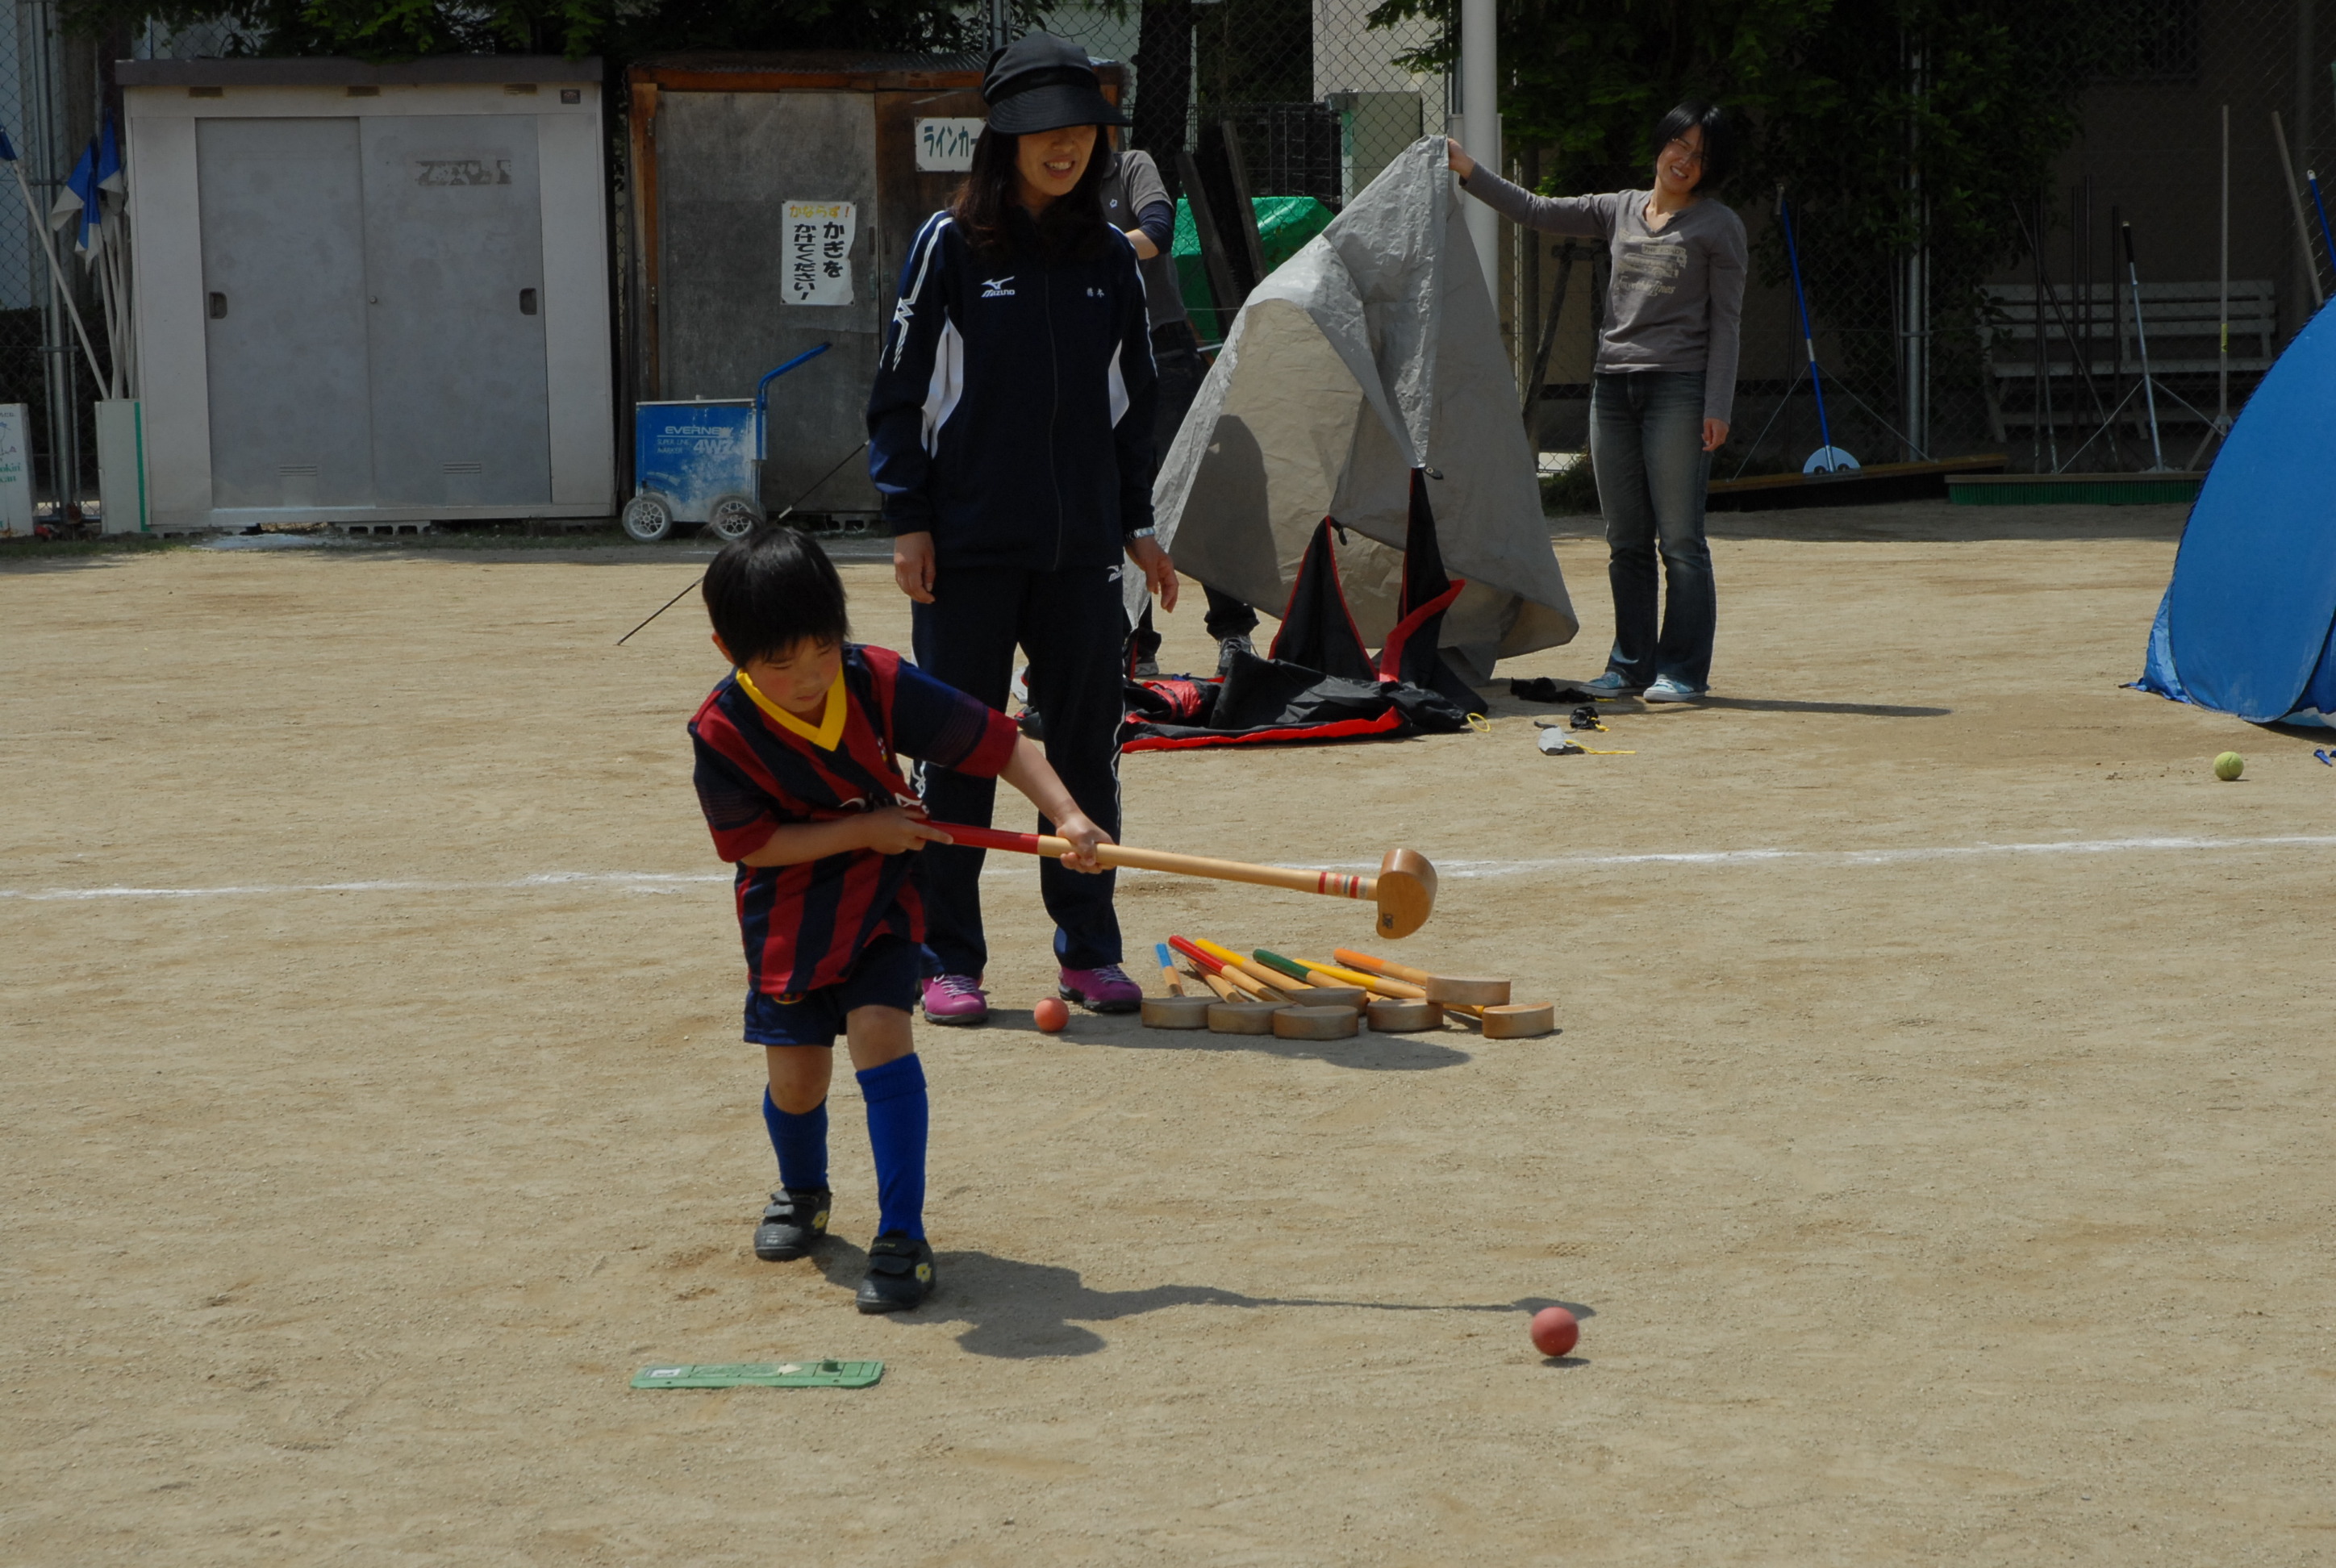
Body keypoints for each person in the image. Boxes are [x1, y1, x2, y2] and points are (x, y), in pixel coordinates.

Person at [686, 528, 1111, 1313]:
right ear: (728, 649)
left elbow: (1001, 744)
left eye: (821, 649)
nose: (809, 676)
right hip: (784, 913)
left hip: (881, 899)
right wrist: (864, 829)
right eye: (781, 664)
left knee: (882, 1030)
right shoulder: (719, 731)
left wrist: (1070, 817)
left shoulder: (874, 680)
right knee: (798, 1079)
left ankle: (901, 1235)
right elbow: (751, 845)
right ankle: (802, 1190)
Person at [868, 31, 1177, 1028]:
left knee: (1085, 746)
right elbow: (898, 395)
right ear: (1001, 139)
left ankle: (1089, 950)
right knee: (961, 750)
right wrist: (909, 518)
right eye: (1042, 131)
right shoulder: (950, 247)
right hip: (963, 547)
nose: (1064, 147)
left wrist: (1135, 524)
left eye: (1081, 129)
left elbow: (1135, 406)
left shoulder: (1110, 262)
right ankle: (943, 957)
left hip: (1081, 549)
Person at [1449, 102, 1746, 703]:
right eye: (1679, 146)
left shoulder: (1719, 226)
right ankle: (1629, 666)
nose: (1684, 161)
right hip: (1612, 387)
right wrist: (1467, 170)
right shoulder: (1617, 209)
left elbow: (1728, 324)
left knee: (1681, 541)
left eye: (1700, 156)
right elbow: (1535, 211)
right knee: (1625, 539)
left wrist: (1718, 405)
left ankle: (1683, 672)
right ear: (1661, 144)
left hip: (1680, 390)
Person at [1099, 140, 1261, 677]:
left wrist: (1088, 251)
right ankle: (1133, 641)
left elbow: (1158, 234)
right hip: (1094, 356)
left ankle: (1234, 632)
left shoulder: (1132, 166)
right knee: (1117, 496)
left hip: (1163, 350)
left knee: (1196, 492)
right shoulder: (1051, 183)